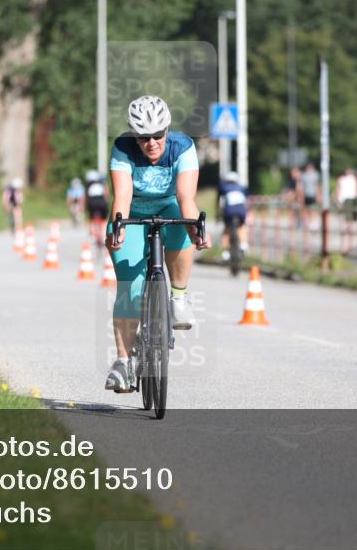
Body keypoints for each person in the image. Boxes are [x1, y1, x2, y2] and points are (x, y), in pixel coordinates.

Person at [104, 95, 210, 392]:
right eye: (143, 137)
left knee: (185, 222)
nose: (151, 143)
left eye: (158, 135)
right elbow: (122, 195)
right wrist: (119, 227)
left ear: (167, 129)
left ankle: (178, 295)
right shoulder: (122, 148)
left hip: (169, 208)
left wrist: (197, 231)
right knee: (131, 289)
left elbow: (185, 197)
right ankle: (124, 364)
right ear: (134, 136)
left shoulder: (182, 147)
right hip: (132, 213)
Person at [217, 171, 249, 262]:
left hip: (229, 211)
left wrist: (217, 215)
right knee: (241, 227)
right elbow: (246, 199)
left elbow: (218, 202)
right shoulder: (242, 188)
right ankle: (244, 245)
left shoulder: (223, 187)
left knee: (226, 229)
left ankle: (225, 252)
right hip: (241, 211)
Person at [335, 167, 357, 252]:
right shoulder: (341, 179)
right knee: (344, 225)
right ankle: (343, 246)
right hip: (344, 201)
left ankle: (349, 245)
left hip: (350, 201)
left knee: (350, 225)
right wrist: (338, 202)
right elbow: (337, 191)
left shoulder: (353, 179)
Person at [84, 169, 109, 240]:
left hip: (92, 202)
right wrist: (106, 203)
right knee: (104, 218)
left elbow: (86, 197)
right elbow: (106, 194)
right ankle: (104, 231)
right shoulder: (102, 183)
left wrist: (86, 206)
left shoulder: (88, 186)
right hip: (101, 201)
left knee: (91, 217)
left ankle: (91, 231)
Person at [299, 162, 320, 230]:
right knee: (306, 210)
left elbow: (316, 185)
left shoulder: (315, 175)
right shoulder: (304, 175)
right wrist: (301, 195)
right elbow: (301, 186)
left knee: (313, 209)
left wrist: (318, 195)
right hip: (306, 195)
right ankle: (306, 223)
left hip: (313, 194)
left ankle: (313, 224)